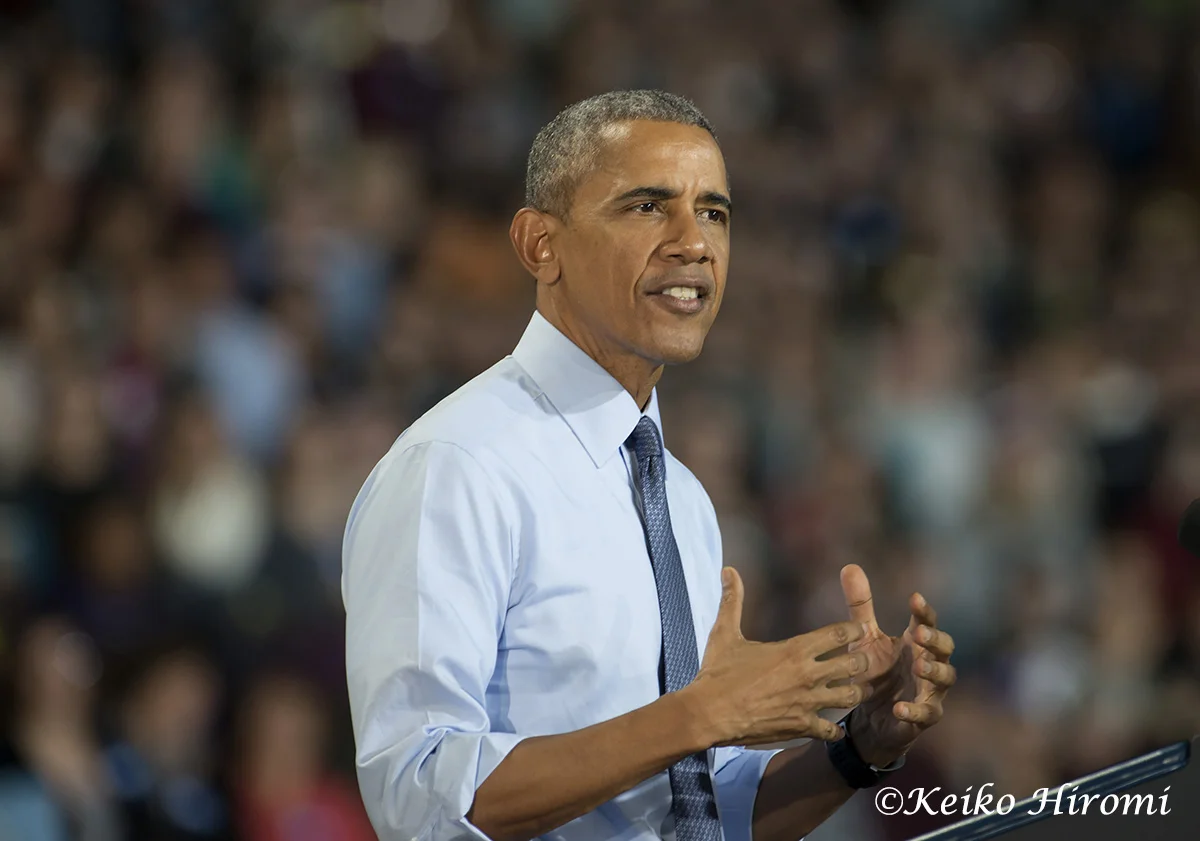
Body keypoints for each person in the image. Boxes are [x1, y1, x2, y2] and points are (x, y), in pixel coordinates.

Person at [341, 90, 957, 841]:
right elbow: (419, 798)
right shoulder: (459, 467)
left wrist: (859, 748)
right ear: (542, 244)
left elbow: (691, 811)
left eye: (715, 213)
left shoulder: (683, 499)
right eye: (646, 206)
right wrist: (700, 713)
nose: (694, 242)